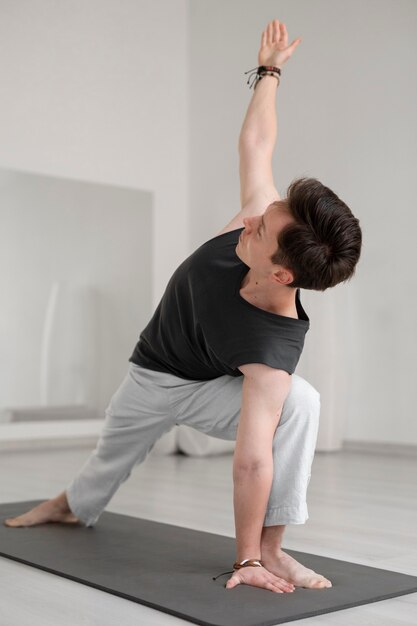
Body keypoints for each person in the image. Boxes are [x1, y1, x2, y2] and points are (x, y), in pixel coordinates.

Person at [4, 19, 362, 595]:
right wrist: (270, 70)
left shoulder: (274, 348)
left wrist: (245, 560)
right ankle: (67, 505)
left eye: (262, 228)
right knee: (106, 463)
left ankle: (271, 549)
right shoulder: (259, 224)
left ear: (282, 273)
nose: (252, 217)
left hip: (207, 391)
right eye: (263, 213)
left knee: (303, 402)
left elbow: (251, 461)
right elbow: (256, 144)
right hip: (150, 374)